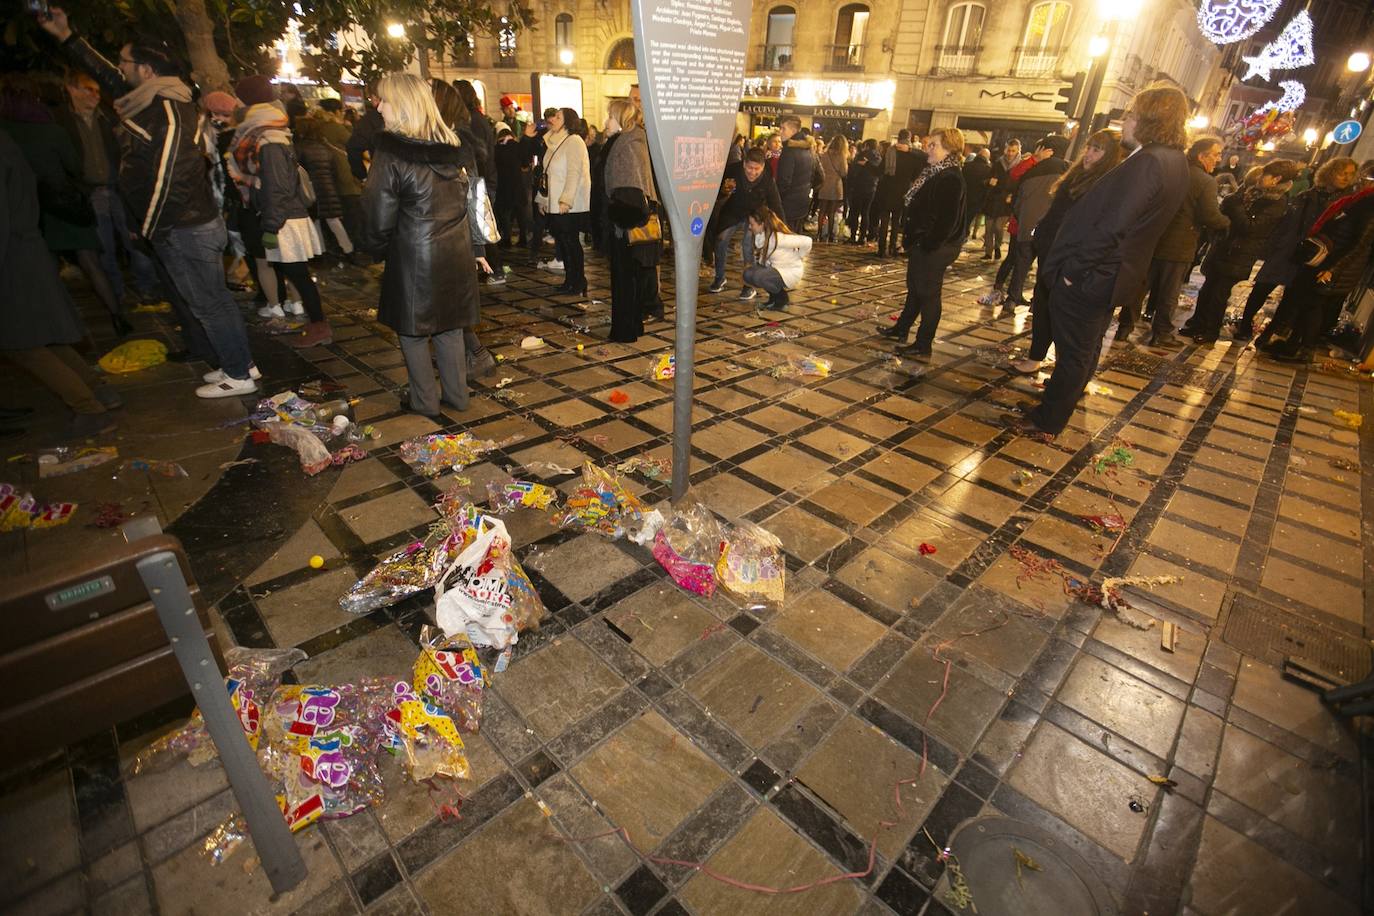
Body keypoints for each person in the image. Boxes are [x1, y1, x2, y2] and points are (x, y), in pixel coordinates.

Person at [40, 7, 259, 398]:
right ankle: (239, 362)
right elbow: (111, 79)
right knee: (207, 301)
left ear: (145, 70)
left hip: (184, 224)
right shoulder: (152, 100)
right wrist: (68, 36)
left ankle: (238, 371)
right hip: (180, 223)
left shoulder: (170, 111)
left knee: (209, 303)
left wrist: (150, 227)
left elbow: (169, 176)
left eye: (126, 63)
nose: (119, 69)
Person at [1011, 83, 1190, 437]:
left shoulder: (1151, 161)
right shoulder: (1172, 161)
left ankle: (1049, 421)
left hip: (1094, 275)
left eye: (1131, 116)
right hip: (1111, 274)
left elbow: (1113, 225)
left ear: (1149, 120)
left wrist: (1072, 274)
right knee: (1085, 349)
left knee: (1075, 353)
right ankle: (1053, 407)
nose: (1124, 122)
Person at [361, 73, 490, 419]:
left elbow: (377, 214)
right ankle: (457, 395)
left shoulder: (392, 153)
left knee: (413, 332)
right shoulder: (454, 149)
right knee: (449, 328)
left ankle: (424, 400)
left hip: (413, 255)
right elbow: (473, 198)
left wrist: (376, 247)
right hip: (456, 253)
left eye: (384, 100)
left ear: (401, 106)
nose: (379, 106)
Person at [0, 130, 121, 438]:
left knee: (22, 342)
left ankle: (88, 408)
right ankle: (96, 391)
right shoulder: (7, 141)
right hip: (24, 249)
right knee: (42, 336)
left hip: (13, 257)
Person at [0, 75, 129, 337]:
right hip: (64, 206)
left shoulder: (7, 134)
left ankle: (57, 326)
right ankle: (118, 316)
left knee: (47, 271)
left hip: (32, 211)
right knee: (91, 262)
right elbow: (74, 166)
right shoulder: (52, 129)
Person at [228, 75, 329, 349]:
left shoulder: (269, 138)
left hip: (284, 219)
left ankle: (319, 326)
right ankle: (317, 324)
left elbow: (275, 186)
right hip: (285, 216)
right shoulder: (269, 131)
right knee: (297, 274)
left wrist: (271, 227)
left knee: (298, 275)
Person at [1011, 129, 1124, 374]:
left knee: (1064, 318)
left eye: (1097, 150)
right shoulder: (1077, 175)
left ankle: (1064, 374)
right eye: (1089, 148)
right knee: (1043, 308)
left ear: (1110, 156)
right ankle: (1036, 358)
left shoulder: (1105, 183)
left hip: (1070, 259)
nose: (1089, 155)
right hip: (1050, 252)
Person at [58, 70, 161, 310]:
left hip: (117, 187)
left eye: (96, 90)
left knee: (133, 239)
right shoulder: (64, 121)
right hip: (90, 191)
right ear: (72, 89)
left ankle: (148, 288)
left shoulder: (106, 118)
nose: (95, 95)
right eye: (88, 90)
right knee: (104, 245)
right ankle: (116, 294)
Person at [1260, 165, 1374, 362]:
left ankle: (1305, 350)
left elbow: (1360, 243)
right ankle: (1293, 345)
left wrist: (1333, 269)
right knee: (1308, 303)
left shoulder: (1368, 205)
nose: (1361, 180)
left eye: (1367, 178)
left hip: (1335, 264)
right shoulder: (1359, 200)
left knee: (1314, 305)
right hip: (1326, 259)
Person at [1237, 157, 1357, 340]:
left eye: (1350, 174)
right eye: (1342, 173)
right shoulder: (1311, 194)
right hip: (1288, 247)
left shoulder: (1347, 201)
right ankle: (1245, 324)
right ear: (1331, 172)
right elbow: (1288, 222)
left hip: (1314, 255)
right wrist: (1274, 246)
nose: (1346, 178)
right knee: (1262, 287)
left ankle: (1269, 333)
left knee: (1291, 298)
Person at [874, 127, 967, 357]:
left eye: (934, 145)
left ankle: (923, 344)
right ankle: (902, 329)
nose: (928, 148)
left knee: (928, 294)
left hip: (937, 246)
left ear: (949, 149)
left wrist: (927, 244)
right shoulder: (935, 171)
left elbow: (947, 220)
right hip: (924, 242)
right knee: (915, 289)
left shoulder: (950, 176)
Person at [1182, 158, 1297, 343]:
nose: (1261, 177)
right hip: (1224, 248)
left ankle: (1210, 331)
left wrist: (1236, 206)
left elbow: (1251, 227)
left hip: (1240, 254)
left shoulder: (1277, 203)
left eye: (1265, 174)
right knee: (1207, 290)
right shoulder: (1253, 193)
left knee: (1219, 295)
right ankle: (1198, 323)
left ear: (1276, 179)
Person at [1129, 136, 1229, 348]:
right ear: (1202, 155)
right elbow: (1210, 215)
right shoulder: (1205, 181)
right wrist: (1227, 221)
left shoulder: (1173, 171)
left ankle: (1124, 327)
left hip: (1154, 237)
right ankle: (1162, 332)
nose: (1219, 159)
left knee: (1140, 287)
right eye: (1216, 154)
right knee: (1169, 291)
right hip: (1179, 244)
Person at [603, 99, 660, 342]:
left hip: (627, 226)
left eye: (610, 117)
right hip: (627, 224)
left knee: (626, 281)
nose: (606, 121)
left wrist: (616, 216)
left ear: (620, 119)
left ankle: (625, 331)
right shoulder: (630, 141)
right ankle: (632, 326)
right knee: (631, 280)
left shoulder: (627, 145)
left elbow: (631, 192)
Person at [1003, 135, 1070, 306]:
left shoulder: (1031, 171)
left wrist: (1024, 218)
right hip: (1050, 230)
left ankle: (1012, 298)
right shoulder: (1067, 172)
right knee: (1044, 267)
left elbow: (1016, 201)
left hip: (1027, 227)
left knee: (1021, 265)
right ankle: (1037, 303)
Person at [708, 147, 783, 299]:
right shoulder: (732, 170)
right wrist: (724, 191)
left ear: (762, 167)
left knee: (748, 244)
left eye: (757, 169)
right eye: (749, 167)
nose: (752, 172)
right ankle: (719, 277)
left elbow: (776, 204)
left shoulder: (768, 179)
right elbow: (715, 190)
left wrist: (783, 228)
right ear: (743, 164)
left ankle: (749, 284)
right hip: (732, 211)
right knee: (721, 240)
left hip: (754, 215)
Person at [536, 107, 591, 297]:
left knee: (571, 242)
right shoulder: (552, 142)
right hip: (554, 202)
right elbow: (546, 174)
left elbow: (575, 173)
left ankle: (578, 281)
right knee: (563, 242)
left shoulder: (574, 141)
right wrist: (542, 199)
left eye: (558, 117)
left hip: (570, 204)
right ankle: (570, 280)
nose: (553, 120)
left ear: (567, 121)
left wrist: (566, 200)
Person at [295, 110, 355, 262]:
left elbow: (298, 170)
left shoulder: (300, 148)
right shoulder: (325, 147)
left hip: (311, 189)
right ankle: (348, 249)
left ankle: (320, 251)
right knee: (333, 219)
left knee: (315, 221)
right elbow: (334, 169)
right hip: (328, 187)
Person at [313, 98, 365, 262]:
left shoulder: (317, 127)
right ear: (335, 111)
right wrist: (348, 126)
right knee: (352, 213)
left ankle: (336, 247)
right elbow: (354, 144)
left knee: (335, 215)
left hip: (327, 176)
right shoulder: (336, 127)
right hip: (345, 174)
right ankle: (354, 248)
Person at [743, 204, 811, 310]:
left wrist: (800, 256)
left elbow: (807, 241)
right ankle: (774, 299)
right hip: (776, 269)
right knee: (748, 274)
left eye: (752, 224)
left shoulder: (778, 238)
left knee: (758, 276)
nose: (750, 227)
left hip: (789, 271)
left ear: (762, 224)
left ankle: (782, 299)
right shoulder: (762, 236)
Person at [873, 130, 926, 258]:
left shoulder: (891, 151)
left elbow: (880, 170)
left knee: (884, 220)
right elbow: (922, 165)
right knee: (897, 221)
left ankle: (881, 249)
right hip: (904, 190)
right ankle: (892, 247)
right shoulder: (914, 155)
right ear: (910, 138)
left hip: (887, 189)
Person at [982, 139, 1024, 260]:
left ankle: (997, 246)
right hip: (993, 199)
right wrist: (989, 181)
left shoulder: (1020, 165)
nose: (1010, 153)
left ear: (1018, 151)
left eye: (1013, 151)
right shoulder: (998, 162)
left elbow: (1021, 184)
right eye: (1008, 150)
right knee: (989, 227)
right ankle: (988, 252)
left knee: (998, 227)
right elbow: (987, 178)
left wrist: (1013, 195)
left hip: (1006, 201)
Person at [774, 116, 817, 232]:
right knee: (795, 241)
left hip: (788, 206)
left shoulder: (789, 151)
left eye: (783, 129)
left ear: (793, 131)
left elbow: (784, 182)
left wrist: (775, 200)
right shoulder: (808, 149)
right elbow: (817, 176)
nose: (780, 132)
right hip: (802, 203)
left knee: (785, 241)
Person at [494, 120, 533, 249]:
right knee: (521, 214)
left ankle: (506, 239)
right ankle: (523, 238)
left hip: (503, 186)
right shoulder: (517, 146)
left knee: (505, 214)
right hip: (517, 185)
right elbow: (525, 164)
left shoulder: (496, 149)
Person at [845, 138, 880, 245]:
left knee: (855, 212)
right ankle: (862, 237)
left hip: (859, 187)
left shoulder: (862, 155)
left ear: (867, 146)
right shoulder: (878, 157)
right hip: (871, 188)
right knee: (866, 212)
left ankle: (852, 236)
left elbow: (854, 171)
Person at [346, 86, 385, 180]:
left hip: (384, 176)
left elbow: (353, 147)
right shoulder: (415, 117)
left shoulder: (370, 119)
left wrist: (362, 176)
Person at [816, 134, 849, 243]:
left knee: (822, 211)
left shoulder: (825, 155)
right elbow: (844, 173)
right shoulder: (841, 156)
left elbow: (820, 169)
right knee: (831, 212)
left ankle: (819, 233)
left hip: (824, 184)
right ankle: (830, 235)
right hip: (835, 185)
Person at [962, 147, 992, 241]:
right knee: (971, 218)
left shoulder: (966, 166)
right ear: (987, 157)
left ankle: (961, 234)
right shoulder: (988, 169)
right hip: (978, 199)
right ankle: (965, 235)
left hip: (964, 197)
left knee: (962, 217)